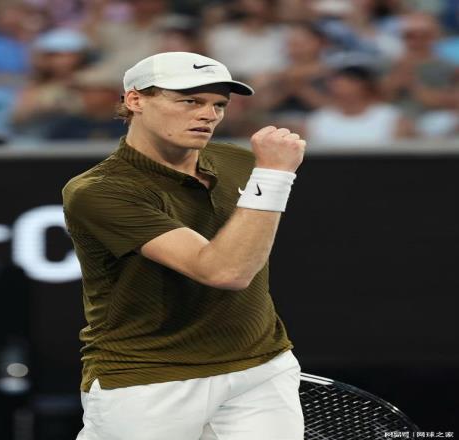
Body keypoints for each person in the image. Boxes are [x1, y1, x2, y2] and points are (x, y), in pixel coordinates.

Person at [62, 51, 306, 440]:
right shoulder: (98, 190)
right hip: (149, 379)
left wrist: (266, 175)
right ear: (135, 100)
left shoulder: (239, 162)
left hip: (261, 369)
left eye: (219, 105)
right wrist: (273, 176)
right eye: (190, 101)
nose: (209, 115)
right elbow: (224, 271)